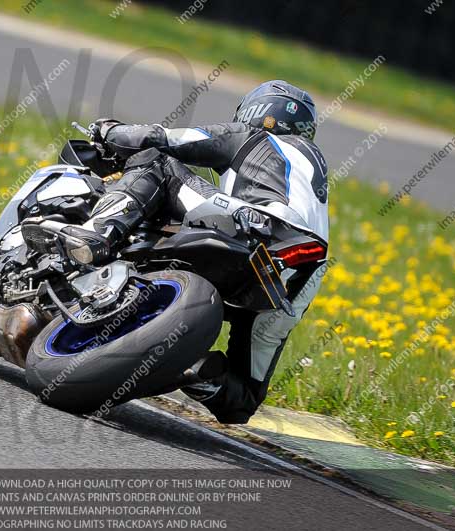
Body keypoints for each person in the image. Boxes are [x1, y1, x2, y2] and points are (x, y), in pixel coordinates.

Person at [22, 80, 329, 424]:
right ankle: (198, 370)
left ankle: (97, 234)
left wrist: (110, 130)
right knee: (243, 399)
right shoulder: (314, 174)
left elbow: (165, 138)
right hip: (303, 268)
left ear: (257, 110)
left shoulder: (253, 136)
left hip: (256, 225)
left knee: (158, 162)